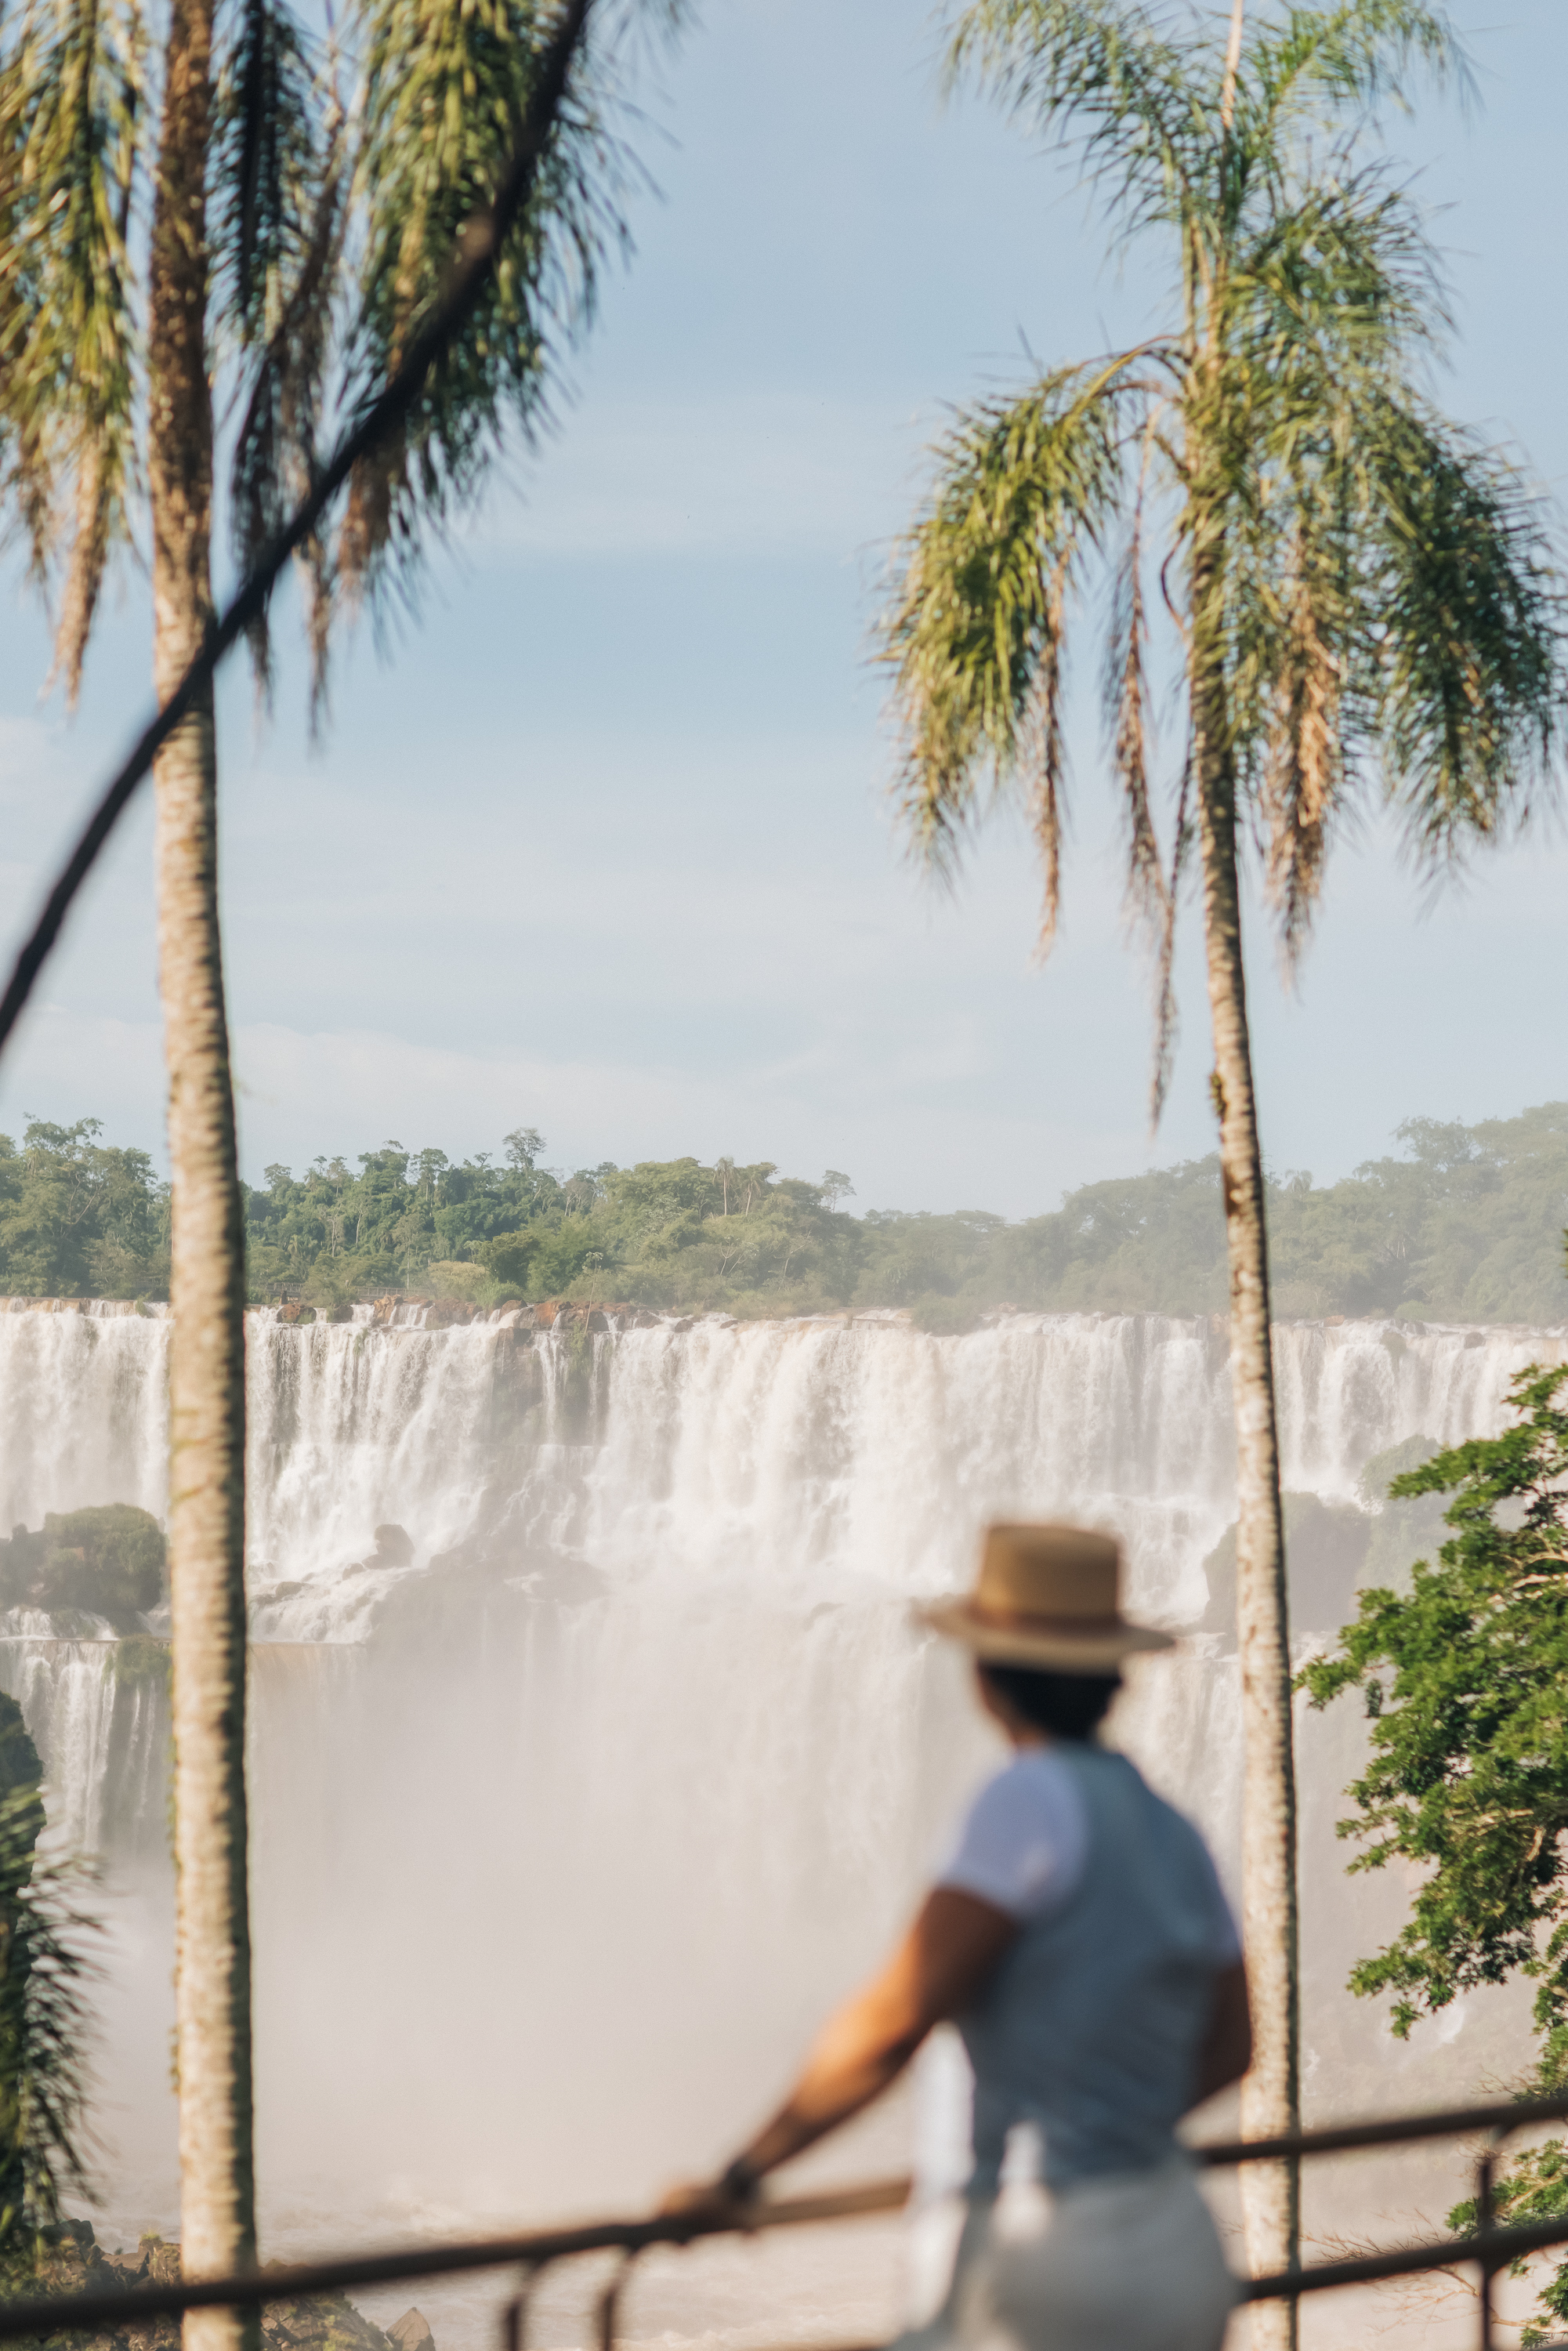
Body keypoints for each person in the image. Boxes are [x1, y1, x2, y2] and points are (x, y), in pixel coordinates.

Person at [664, 1522, 1249, 2351]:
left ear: (987, 1676)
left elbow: (897, 2016)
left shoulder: (1024, 1806)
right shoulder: (1174, 1831)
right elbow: (1235, 2045)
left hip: (1037, 2259)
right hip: (1173, 2252)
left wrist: (741, 2176)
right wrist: (1113, 2120)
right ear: (1114, 1675)